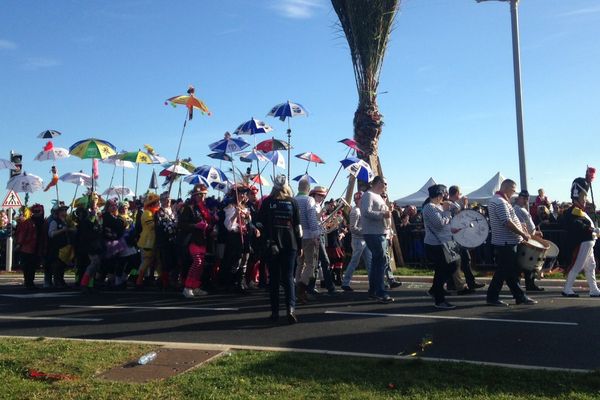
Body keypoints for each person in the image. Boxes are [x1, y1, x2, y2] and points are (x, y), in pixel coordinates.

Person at [257, 175, 302, 324]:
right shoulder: (292, 202)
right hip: (291, 245)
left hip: (272, 244)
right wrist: (300, 245)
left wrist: (264, 237)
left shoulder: (267, 202)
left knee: (274, 279)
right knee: (289, 278)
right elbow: (298, 228)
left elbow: (259, 224)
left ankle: (275, 312)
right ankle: (290, 309)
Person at [486, 179, 537, 306]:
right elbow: (507, 222)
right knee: (503, 271)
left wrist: (521, 227)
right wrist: (522, 233)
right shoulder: (500, 202)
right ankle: (492, 297)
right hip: (506, 243)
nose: (514, 193)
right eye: (513, 190)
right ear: (507, 188)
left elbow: (510, 220)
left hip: (506, 242)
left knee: (510, 272)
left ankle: (519, 296)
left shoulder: (499, 201)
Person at [561, 178, 600, 298]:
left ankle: (593, 289)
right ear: (576, 196)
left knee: (591, 266)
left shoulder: (580, 211)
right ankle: (567, 289)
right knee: (577, 265)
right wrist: (592, 229)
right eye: (583, 196)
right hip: (583, 242)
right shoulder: (573, 211)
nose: (585, 199)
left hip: (589, 242)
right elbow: (578, 225)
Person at [422, 184, 458, 309]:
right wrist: (447, 211)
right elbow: (440, 224)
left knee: (453, 266)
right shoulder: (429, 208)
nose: (445, 197)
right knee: (442, 270)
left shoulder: (439, 206)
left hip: (448, 241)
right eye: (444, 195)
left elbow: (449, 220)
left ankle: (434, 290)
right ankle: (439, 299)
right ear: (439, 195)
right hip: (437, 244)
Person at [360, 176, 394, 303]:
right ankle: (380, 292)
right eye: (384, 183)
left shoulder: (378, 196)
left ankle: (374, 291)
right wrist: (383, 214)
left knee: (377, 263)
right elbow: (366, 212)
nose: (386, 186)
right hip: (373, 233)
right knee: (380, 262)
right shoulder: (368, 195)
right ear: (378, 183)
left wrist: (387, 212)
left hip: (380, 232)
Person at [447, 185, 485, 294]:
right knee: (457, 262)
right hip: (454, 238)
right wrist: (464, 205)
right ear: (456, 193)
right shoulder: (451, 205)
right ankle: (455, 284)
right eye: (460, 193)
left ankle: (469, 282)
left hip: (458, 238)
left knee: (464, 260)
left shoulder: (453, 204)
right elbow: (459, 218)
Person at [180, 184, 214, 298]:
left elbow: (207, 224)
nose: (204, 197)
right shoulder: (188, 208)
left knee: (200, 264)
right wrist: (195, 225)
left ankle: (195, 286)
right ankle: (187, 287)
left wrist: (210, 226)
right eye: (202, 195)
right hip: (192, 239)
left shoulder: (203, 208)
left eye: (204, 195)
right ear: (196, 195)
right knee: (197, 262)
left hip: (202, 240)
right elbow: (182, 225)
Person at [294, 178, 321, 303]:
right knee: (310, 263)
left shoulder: (293, 199)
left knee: (300, 263)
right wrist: (316, 235)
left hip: (296, 236)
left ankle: (296, 287)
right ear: (308, 189)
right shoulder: (309, 200)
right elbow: (311, 218)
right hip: (308, 235)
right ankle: (302, 287)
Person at [513, 190, 544, 292]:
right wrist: (534, 234)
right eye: (525, 198)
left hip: (529, 238)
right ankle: (519, 286)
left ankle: (529, 284)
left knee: (529, 264)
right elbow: (522, 227)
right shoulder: (517, 209)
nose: (526, 201)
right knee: (523, 264)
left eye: (527, 199)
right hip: (523, 239)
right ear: (520, 198)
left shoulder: (523, 209)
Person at [341, 191, 372, 292]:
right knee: (354, 262)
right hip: (358, 240)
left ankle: (374, 283)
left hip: (364, 239)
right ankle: (345, 282)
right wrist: (365, 231)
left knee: (369, 262)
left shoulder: (360, 210)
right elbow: (353, 228)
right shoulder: (355, 211)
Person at [14, 204, 46, 290]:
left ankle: (30, 282)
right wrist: (19, 244)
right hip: (27, 248)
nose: (36, 213)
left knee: (33, 266)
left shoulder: (42, 222)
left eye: (38, 211)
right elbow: (22, 234)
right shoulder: (28, 222)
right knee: (28, 266)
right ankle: (29, 283)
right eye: (35, 211)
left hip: (36, 248)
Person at [136, 193, 160, 289]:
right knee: (146, 260)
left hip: (153, 240)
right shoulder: (147, 213)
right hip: (147, 241)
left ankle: (156, 279)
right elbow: (151, 226)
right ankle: (139, 281)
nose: (158, 203)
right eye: (156, 202)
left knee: (156, 260)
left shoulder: (154, 212)